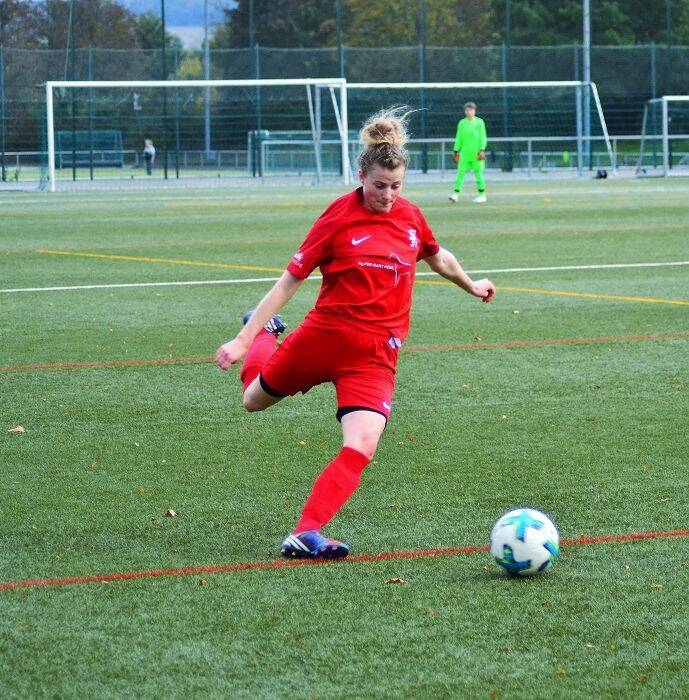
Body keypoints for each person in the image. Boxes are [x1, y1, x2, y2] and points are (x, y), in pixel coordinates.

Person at [215, 108, 495, 560]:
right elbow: (290, 279)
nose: (387, 195)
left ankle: (305, 532)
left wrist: (471, 284)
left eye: (396, 186)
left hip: (377, 355)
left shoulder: (411, 217)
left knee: (363, 443)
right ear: (361, 175)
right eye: (379, 185)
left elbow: (437, 256)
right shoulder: (338, 216)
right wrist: (244, 339)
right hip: (325, 337)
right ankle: (267, 334)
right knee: (252, 400)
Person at [449, 102, 487, 203]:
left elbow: (483, 137)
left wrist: (482, 149)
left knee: (479, 175)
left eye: (471, 110)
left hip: (476, 154)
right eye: (467, 110)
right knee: (460, 175)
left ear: (474, 111)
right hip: (464, 155)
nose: (469, 112)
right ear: (465, 111)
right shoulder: (462, 123)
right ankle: (455, 194)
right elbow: (459, 138)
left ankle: (482, 195)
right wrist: (456, 150)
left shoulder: (479, 122)